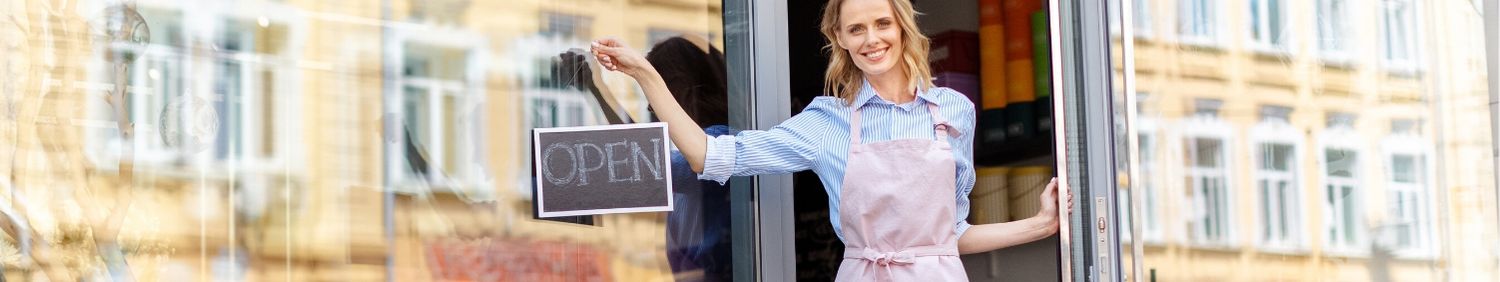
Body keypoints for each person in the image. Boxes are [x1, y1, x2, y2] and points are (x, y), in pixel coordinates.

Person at [592, 0, 1073, 280]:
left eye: (882, 24)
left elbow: (950, 237)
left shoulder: (953, 112)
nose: (872, 39)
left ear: (902, 29)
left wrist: (1039, 226)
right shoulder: (826, 122)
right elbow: (712, 155)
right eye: (856, 29)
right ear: (839, 38)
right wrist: (645, 75)